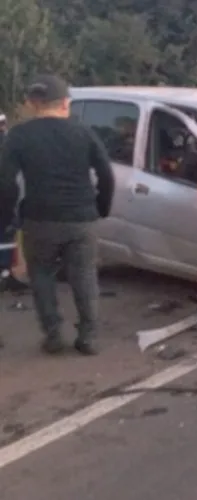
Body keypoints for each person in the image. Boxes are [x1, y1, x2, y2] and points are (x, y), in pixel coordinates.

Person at [0, 75, 115, 355]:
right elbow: (106, 175)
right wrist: (101, 207)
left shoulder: (19, 136)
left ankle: (53, 335)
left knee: (41, 276)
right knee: (85, 276)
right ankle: (88, 337)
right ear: (65, 102)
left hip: (39, 219)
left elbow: (5, 182)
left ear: (32, 104)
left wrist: (8, 217)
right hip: (81, 218)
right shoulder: (83, 132)